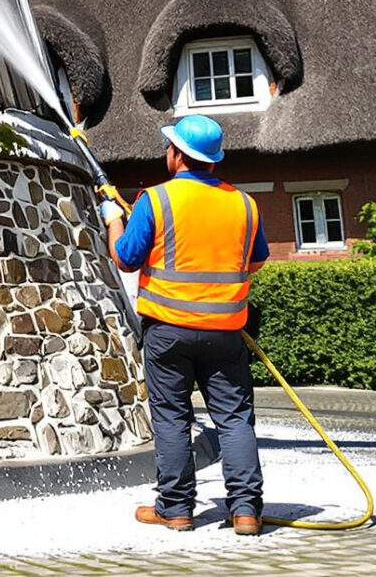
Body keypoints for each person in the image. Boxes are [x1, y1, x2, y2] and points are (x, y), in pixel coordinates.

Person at [100, 113, 269, 536]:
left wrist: (112, 218)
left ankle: (176, 510)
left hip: (168, 332)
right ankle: (246, 511)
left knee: (173, 418)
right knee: (234, 420)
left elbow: (125, 257)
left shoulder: (154, 200)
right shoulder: (245, 204)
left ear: (178, 155)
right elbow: (256, 261)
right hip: (226, 334)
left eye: (169, 147)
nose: (166, 153)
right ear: (213, 160)